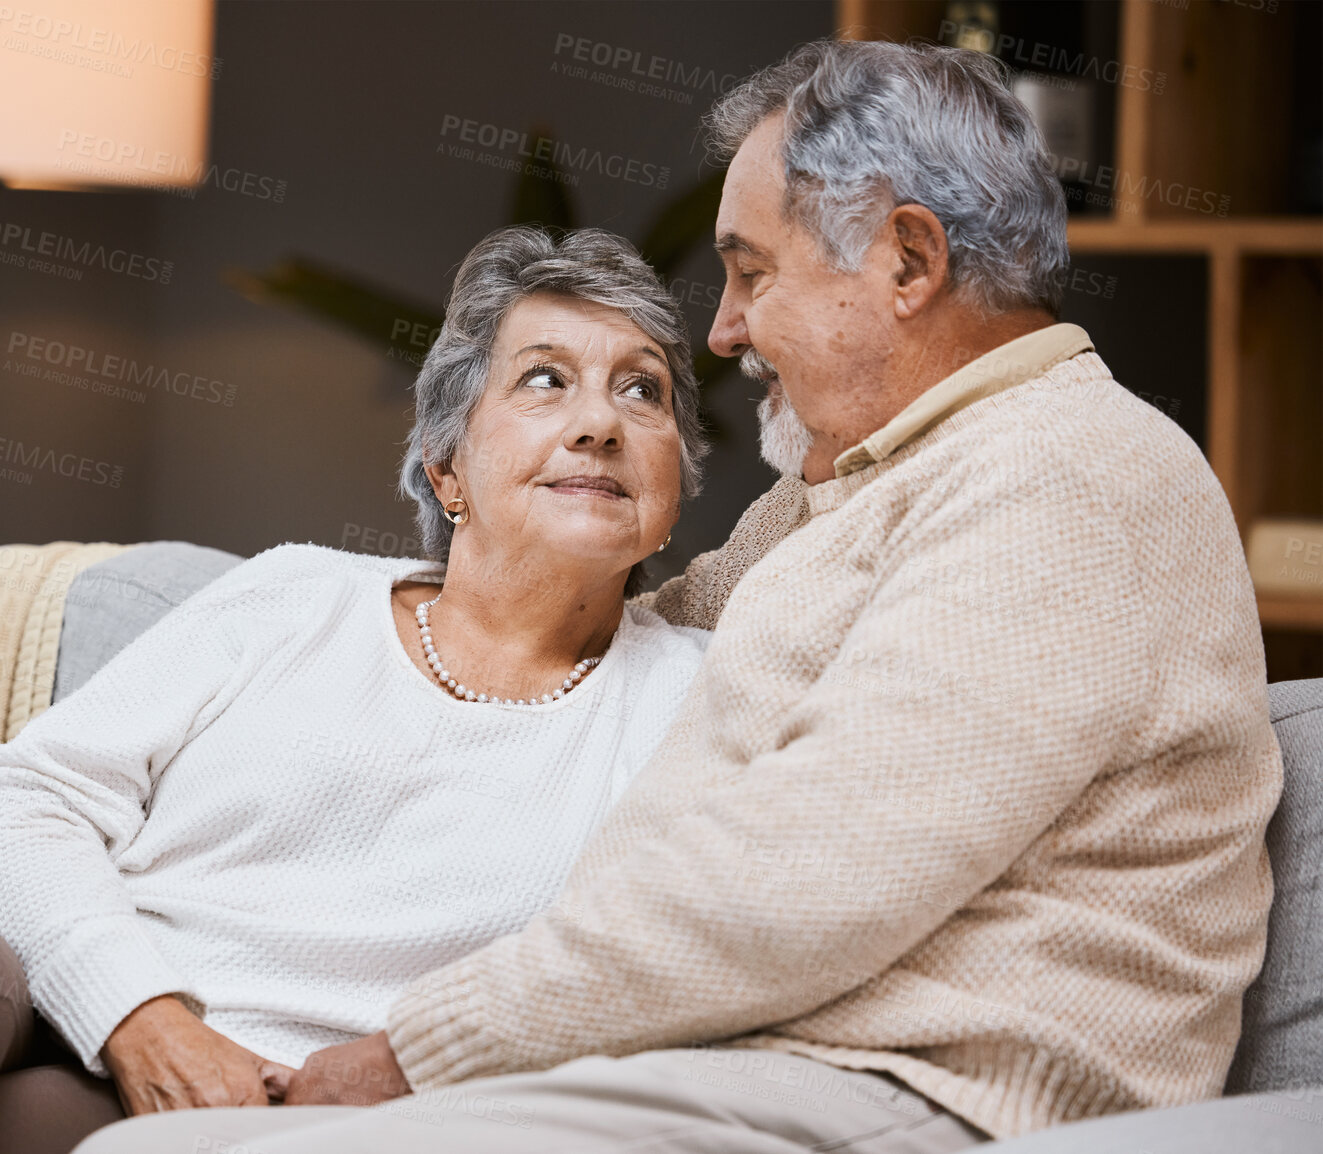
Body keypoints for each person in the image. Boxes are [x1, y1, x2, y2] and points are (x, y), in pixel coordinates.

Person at [80, 37, 1282, 1154]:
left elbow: (807, 881)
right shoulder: (867, 483)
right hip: (787, 1060)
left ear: (908, 261)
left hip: (934, 1088)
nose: (722, 330)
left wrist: (421, 1048)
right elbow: (655, 626)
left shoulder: (1059, 479)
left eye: (751, 271)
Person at [0, 226, 715, 1154]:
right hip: (74, 1023)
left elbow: (655, 965)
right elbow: (6, 802)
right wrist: (139, 1014)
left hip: (302, 1121)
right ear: (447, 467)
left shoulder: (690, 697)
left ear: (674, 488)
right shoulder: (295, 597)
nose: (599, 421)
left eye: (643, 392)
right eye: (544, 380)